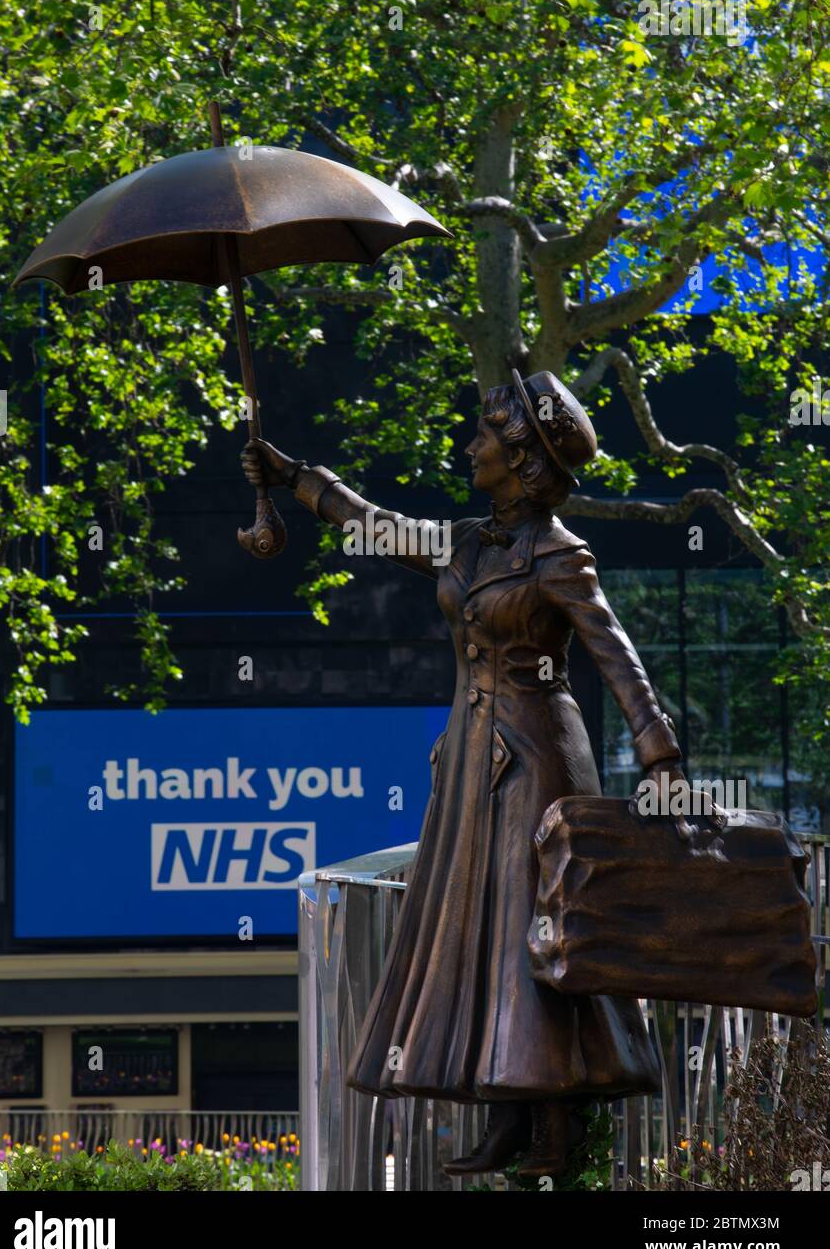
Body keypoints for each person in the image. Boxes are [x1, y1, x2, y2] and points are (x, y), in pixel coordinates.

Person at [242, 368, 683, 1178]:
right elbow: (371, 525)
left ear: (522, 459)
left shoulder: (560, 556)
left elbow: (614, 655)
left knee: (537, 934)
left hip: (540, 763)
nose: (471, 444)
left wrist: (659, 754)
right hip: (471, 761)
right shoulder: (468, 541)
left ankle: (553, 1127)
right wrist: (295, 478)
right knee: (483, 936)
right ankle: (510, 1111)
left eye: (486, 434)